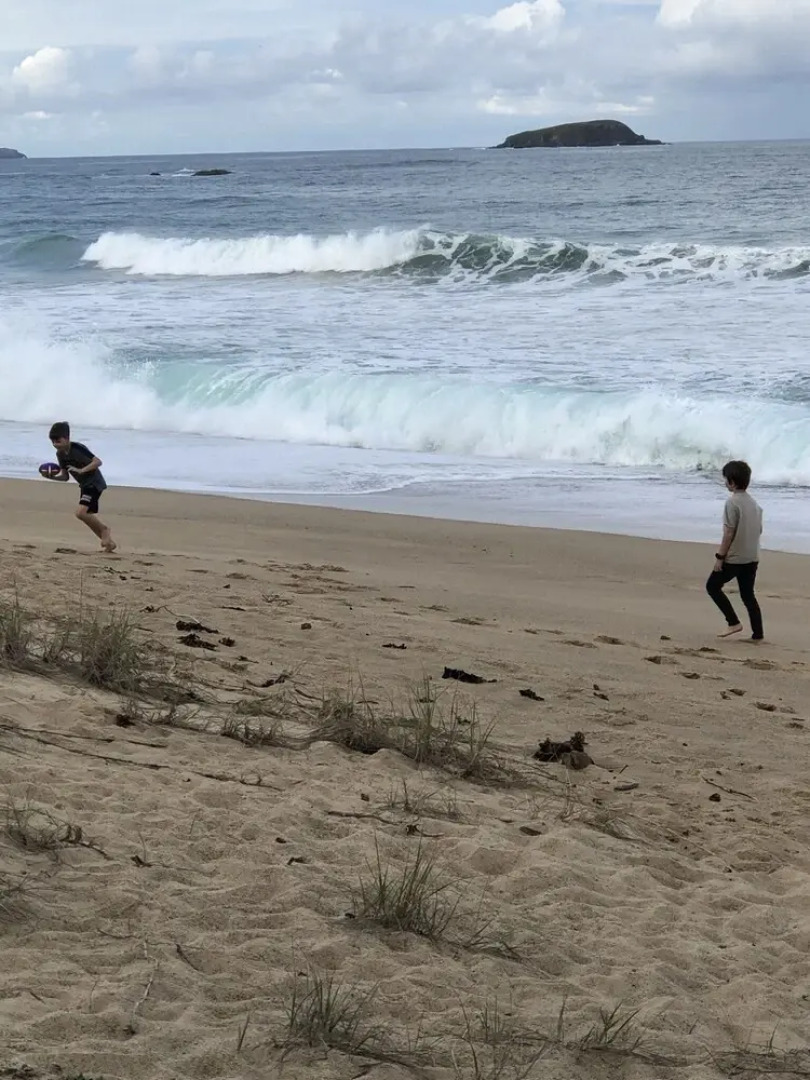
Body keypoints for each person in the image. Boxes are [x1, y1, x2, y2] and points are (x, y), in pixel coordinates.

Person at [706, 459, 762, 641]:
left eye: (726, 479)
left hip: (735, 559)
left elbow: (728, 533)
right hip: (752, 557)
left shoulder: (732, 503)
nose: (725, 483)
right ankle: (758, 634)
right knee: (748, 595)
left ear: (732, 481)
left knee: (712, 586)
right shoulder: (755, 504)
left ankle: (733, 622)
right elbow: (759, 530)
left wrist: (720, 557)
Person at [48, 421, 116, 553]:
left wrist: (81, 470)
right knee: (84, 515)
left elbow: (98, 462)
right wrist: (51, 477)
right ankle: (109, 543)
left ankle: (105, 530)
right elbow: (65, 477)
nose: (55, 444)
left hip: (95, 482)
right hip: (84, 485)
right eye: (53, 442)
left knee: (81, 513)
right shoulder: (60, 454)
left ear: (67, 438)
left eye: (58, 441)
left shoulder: (78, 448)